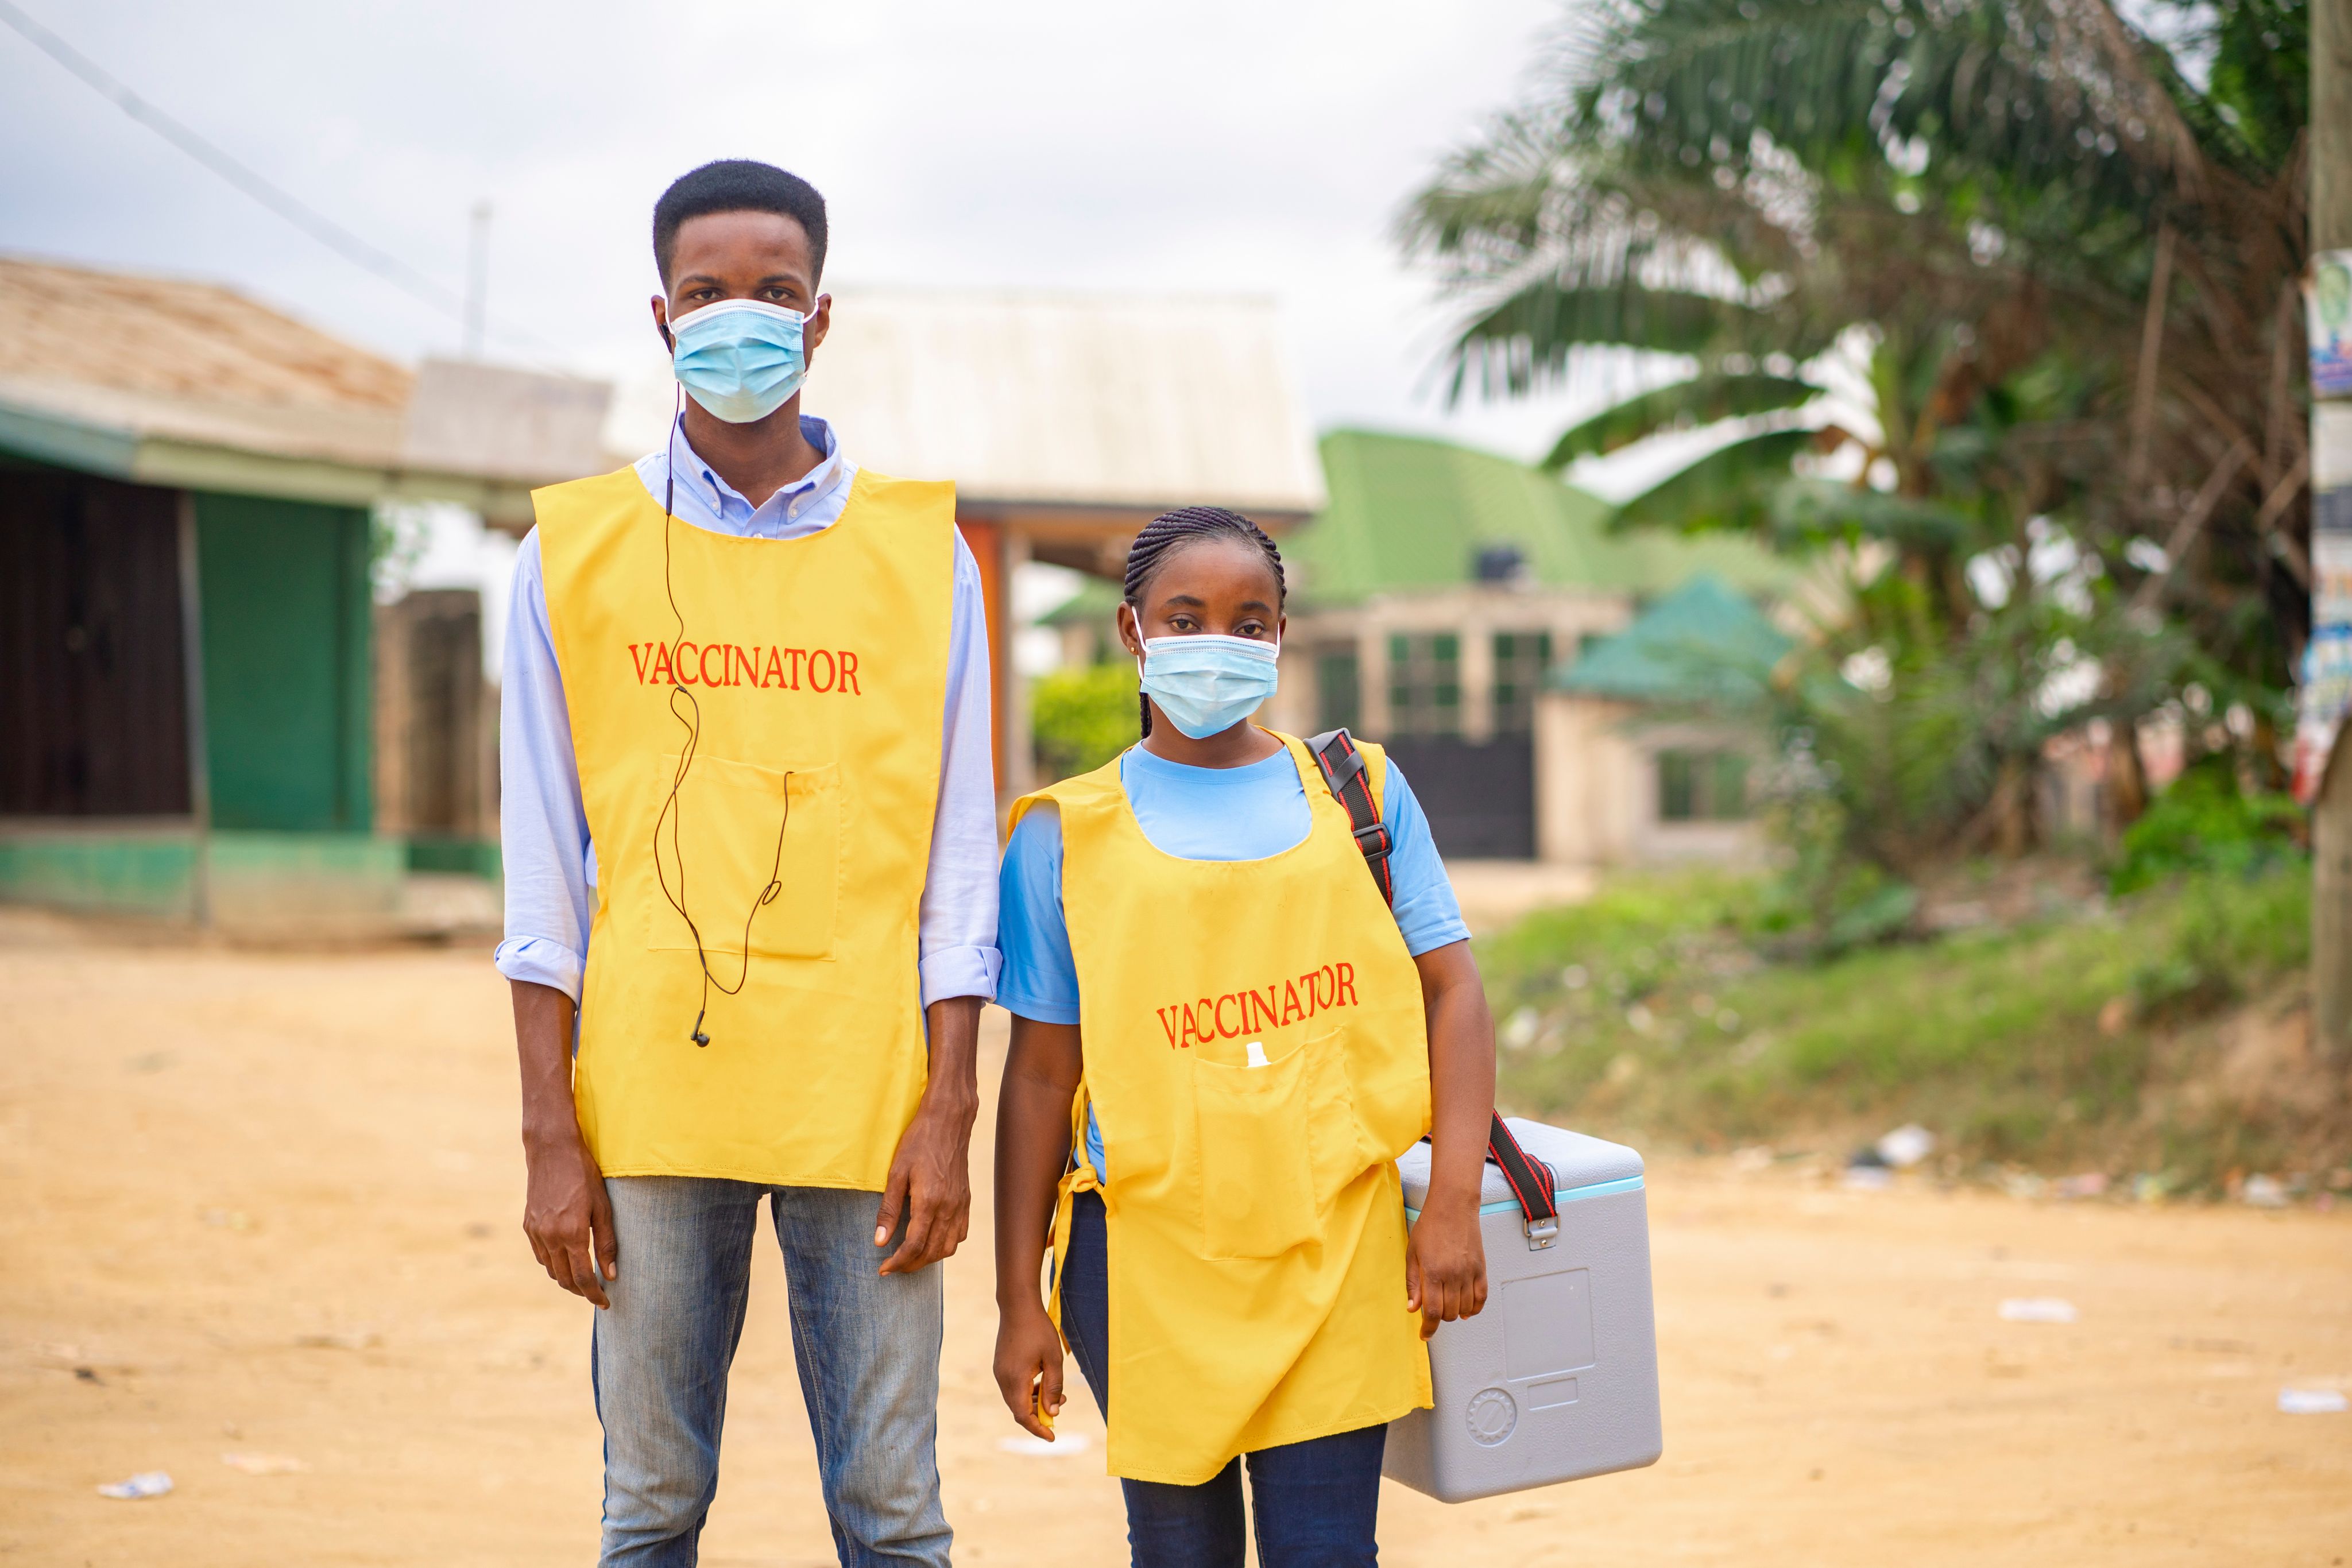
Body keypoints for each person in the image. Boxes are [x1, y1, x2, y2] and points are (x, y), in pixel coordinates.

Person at [495, 160, 998, 1567]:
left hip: (868, 1099)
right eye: (707, 294)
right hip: (652, 1098)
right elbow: (542, 871)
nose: (740, 321)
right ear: (660, 314)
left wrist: (948, 1101)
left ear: (820, 317)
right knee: (649, 1510)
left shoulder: (923, 554)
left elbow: (957, 861)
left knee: (895, 1517)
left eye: (772, 293)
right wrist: (550, 1132)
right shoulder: (572, 552)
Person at [990, 507, 1497, 1567]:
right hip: (1143, 1266)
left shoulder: (1360, 791)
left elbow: (1453, 992)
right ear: (1132, 632)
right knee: (1179, 1556)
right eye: (1186, 618)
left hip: (1338, 1249)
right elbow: (1040, 1079)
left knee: (1327, 1552)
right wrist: (1017, 1304)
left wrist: (1453, 1203)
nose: (1217, 641)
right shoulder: (1063, 836)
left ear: (1279, 635)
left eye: (1248, 619)